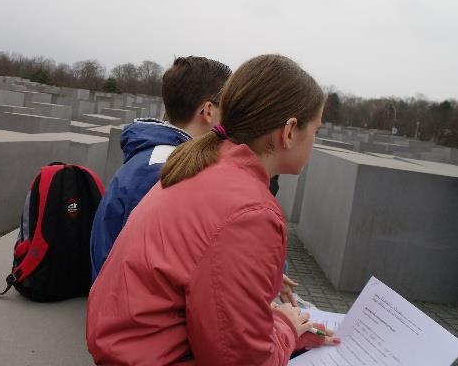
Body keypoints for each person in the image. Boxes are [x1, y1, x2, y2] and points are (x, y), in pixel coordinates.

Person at [87, 54, 338, 365]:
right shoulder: (249, 211)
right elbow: (241, 361)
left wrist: (275, 324)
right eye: (316, 129)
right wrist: (285, 328)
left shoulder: (206, 167)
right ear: (288, 132)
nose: (315, 141)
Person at [89, 56, 231, 280]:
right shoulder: (162, 170)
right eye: (229, 108)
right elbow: (146, 270)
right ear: (209, 111)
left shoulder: (164, 158)